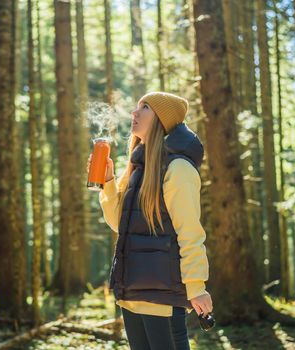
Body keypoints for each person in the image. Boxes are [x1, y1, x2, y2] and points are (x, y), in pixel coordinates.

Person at [87, 91, 212, 350]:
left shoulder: (178, 169)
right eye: (136, 107)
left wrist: (196, 286)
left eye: (144, 107)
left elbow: (190, 233)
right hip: (133, 292)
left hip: (163, 294)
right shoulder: (138, 168)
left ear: (160, 120)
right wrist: (109, 182)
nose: (134, 112)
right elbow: (119, 225)